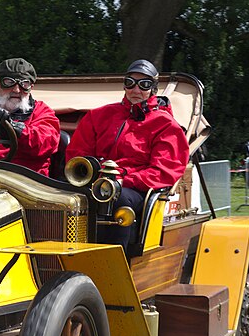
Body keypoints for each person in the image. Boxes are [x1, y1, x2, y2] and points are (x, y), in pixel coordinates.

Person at [65, 59, 189, 249]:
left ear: (153, 89)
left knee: (117, 198)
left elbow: (164, 171)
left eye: (144, 85)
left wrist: (123, 180)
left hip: (134, 187)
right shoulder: (98, 116)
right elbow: (77, 155)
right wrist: (92, 173)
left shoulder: (166, 125)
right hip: (96, 181)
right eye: (130, 83)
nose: (136, 90)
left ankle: (115, 261)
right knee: (61, 195)